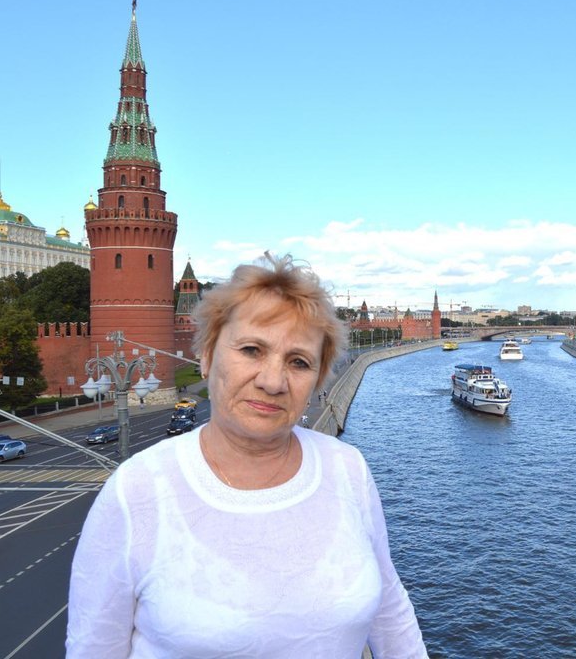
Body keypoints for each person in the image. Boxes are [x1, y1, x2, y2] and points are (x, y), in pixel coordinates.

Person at [67, 253, 427, 658]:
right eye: (252, 350)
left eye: (299, 362)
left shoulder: (347, 468)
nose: (273, 382)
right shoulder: (135, 490)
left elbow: (390, 613)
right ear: (206, 356)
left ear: (316, 380)